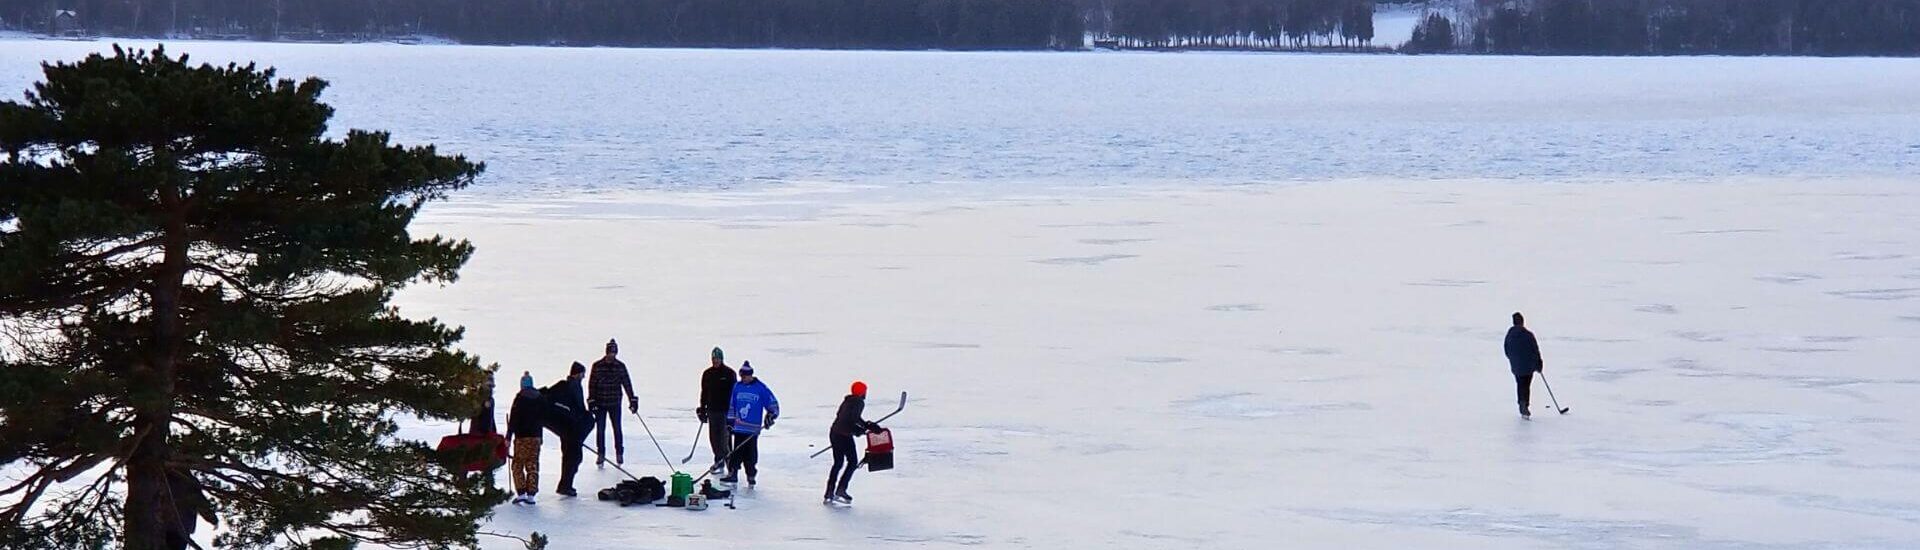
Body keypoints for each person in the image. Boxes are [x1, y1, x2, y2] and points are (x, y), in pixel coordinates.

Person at [825, 380, 882, 504]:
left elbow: (851, 418)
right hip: (844, 435)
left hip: (835, 432)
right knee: (852, 462)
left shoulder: (848, 401)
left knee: (838, 463)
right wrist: (862, 431)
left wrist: (867, 425)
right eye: (865, 391)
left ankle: (829, 493)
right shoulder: (859, 403)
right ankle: (841, 490)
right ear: (862, 392)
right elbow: (851, 421)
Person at [723, 361, 778, 485]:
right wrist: (730, 422)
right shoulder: (737, 386)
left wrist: (771, 415)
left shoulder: (760, 388)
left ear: (750, 375)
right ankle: (733, 473)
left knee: (750, 455)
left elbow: (772, 403)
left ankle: (751, 475)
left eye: (745, 376)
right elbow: (732, 405)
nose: (743, 379)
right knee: (736, 452)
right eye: (741, 376)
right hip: (739, 427)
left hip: (752, 430)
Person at [589, 338, 638, 466]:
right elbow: (592, 384)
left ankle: (619, 453)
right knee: (600, 430)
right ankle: (601, 454)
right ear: (606, 353)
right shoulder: (597, 366)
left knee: (617, 429)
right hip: (600, 403)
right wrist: (591, 400)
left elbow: (627, 383)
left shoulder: (620, 367)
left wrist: (632, 399)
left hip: (615, 403)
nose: (612, 355)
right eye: (610, 353)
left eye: (614, 353)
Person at [546, 362, 590, 496]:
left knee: (570, 457)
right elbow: (575, 408)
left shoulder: (572, 386)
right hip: (571, 429)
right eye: (582, 374)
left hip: (569, 429)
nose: (583, 376)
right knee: (573, 458)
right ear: (577, 374)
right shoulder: (568, 386)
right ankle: (565, 485)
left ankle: (565, 485)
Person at [505, 372, 546, 504]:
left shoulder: (520, 398)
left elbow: (514, 419)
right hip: (535, 437)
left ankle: (521, 492)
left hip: (522, 437)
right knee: (532, 465)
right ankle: (531, 495)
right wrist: (540, 436)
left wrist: (508, 437)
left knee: (518, 465)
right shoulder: (540, 398)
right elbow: (543, 418)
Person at [697, 347, 737, 475]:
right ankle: (718, 461)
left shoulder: (729, 373)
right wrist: (702, 409)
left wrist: (734, 411)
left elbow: (734, 394)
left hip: (726, 411)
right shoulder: (707, 374)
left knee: (725, 439)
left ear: (722, 359)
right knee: (714, 438)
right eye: (713, 359)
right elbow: (704, 393)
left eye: (717, 359)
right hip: (712, 411)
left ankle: (730, 465)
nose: (715, 361)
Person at [1504, 312, 1545, 418]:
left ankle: (1522, 404)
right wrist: (1538, 364)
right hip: (1528, 366)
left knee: (1520, 384)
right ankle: (1524, 405)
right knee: (1526, 385)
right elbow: (1535, 350)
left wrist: (1512, 360)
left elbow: (1506, 350)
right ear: (1522, 321)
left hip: (1516, 366)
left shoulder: (1509, 335)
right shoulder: (1528, 334)